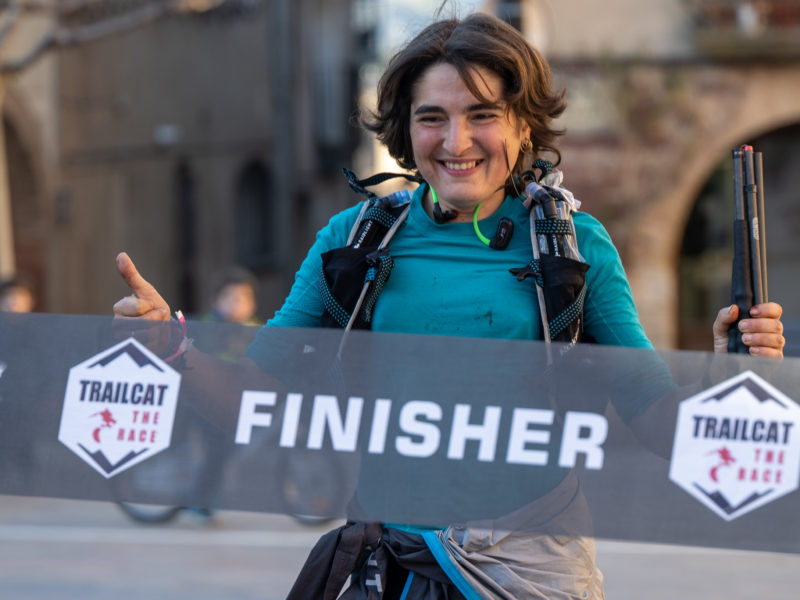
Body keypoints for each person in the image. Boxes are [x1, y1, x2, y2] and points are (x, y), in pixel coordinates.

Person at [113, 12, 785, 599]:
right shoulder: (354, 241)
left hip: (529, 568)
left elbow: (655, 423)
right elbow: (248, 402)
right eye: (432, 117)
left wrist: (734, 378)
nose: (456, 142)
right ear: (406, 132)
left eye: (483, 115)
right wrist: (169, 349)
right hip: (391, 563)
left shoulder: (575, 248)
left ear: (523, 126)